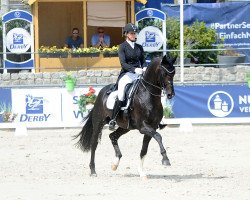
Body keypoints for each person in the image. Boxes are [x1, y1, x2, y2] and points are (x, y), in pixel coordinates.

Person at [109, 23, 146, 130]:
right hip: (127, 74)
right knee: (121, 95)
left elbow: (143, 61)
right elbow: (123, 64)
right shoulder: (122, 47)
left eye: (135, 33)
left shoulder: (139, 47)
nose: (134, 35)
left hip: (139, 74)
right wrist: (134, 69)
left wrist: (144, 68)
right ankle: (113, 119)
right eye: (132, 33)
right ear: (126, 34)